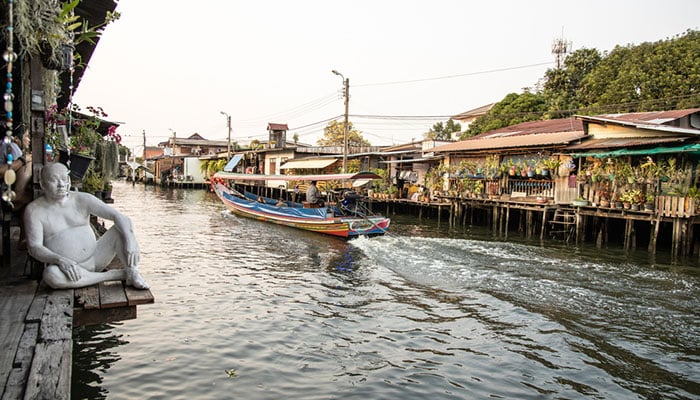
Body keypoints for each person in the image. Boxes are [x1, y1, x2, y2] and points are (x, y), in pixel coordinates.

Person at [24, 162, 149, 290]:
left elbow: (119, 217)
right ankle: (114, 275)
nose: (61, 184)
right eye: (54, 180)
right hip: (68, 269)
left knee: (121, 230)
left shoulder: (82, 199)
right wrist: (59, 260)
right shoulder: (34, 211)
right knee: (51, 275)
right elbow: (34, 247)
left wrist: (131, 239)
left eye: (64, 179)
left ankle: (132, 271)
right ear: (42, 185)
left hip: (96, 257)